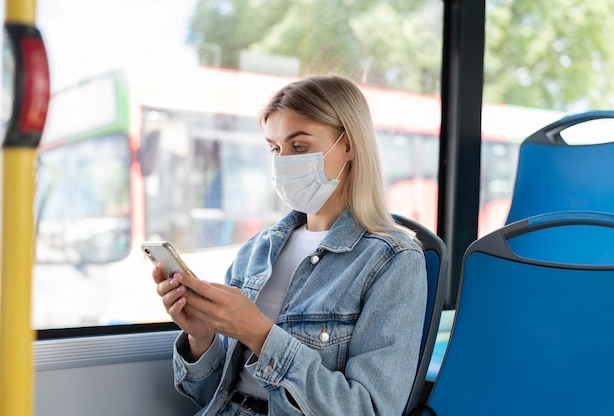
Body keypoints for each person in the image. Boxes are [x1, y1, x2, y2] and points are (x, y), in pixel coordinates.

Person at [152, 74, 427, 415]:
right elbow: (209, 394)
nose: (283, 161)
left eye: (299, 147)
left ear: (349, 144)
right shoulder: (255, 252)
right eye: (274, 147)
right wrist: (201, 337)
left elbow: (368, 409)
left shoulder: (393, 262)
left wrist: (260, 336)